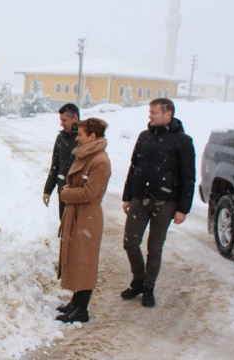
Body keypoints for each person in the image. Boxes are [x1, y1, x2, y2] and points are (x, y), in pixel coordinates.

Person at [120, 98, 195, 307]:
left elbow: (188, 176)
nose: (150, 116)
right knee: (130, 243)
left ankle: (148, 288)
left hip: (165, 203)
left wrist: (182, 209)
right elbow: (134, 167)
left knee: (155, 247)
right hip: (139, 199)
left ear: (168, 114)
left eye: (154, 112)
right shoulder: (144, 137)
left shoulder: (183, 141)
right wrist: (128, 195)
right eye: (150, 112)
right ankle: (139, 279)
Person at [55, 118, 111, 323]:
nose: (77, 138)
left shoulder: (100, 161)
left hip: (87, 215)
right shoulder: (88, 155)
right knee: (76, 258)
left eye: (81, 134)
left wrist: (66, 193)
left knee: (85, 261)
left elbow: (91, 192)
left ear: (92, 136)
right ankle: (76, 301)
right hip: (79, 214)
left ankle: (81, 309)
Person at [43, 103, 80, 219]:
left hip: (79, 193)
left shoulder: (85, 138)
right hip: (63, 190)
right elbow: (55, 166)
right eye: (61, 120)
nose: (62, 123)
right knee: (64, 226)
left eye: (65, 120)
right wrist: (47, 190)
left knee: (78, 230)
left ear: (75, 118)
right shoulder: (61, 138)